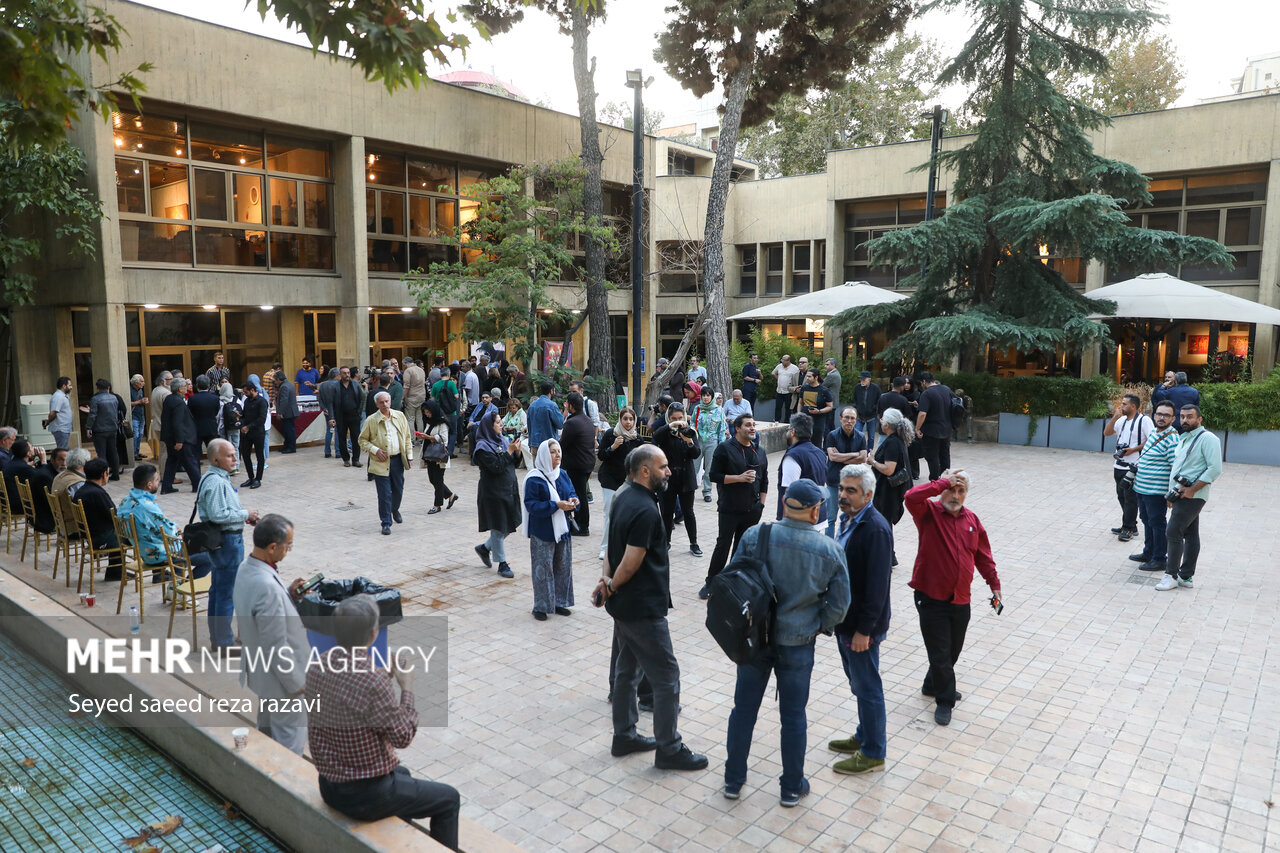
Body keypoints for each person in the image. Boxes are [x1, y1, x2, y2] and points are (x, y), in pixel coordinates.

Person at [722, 477, 849, 805]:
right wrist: (817, 624)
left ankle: (733, 780)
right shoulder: (830, 550)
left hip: (754, 641)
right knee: (793, 716)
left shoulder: (755, 535)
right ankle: (791, 787)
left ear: (784, 504)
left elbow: (733, 582)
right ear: (815, 510)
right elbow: (839, 606)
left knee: (743, 710)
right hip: (798, 643)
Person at [306, 596, 461, 851]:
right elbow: (402, 737)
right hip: (365, 796)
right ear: (374, 633)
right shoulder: (373, 681)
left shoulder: (316, 666)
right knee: (449, 799)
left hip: (330, 785)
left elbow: (350, 693)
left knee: (403, 774)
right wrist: (406, 688)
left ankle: (398, 844)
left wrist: (380, 677)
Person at [595, 444, 708, 772]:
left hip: (623, 605)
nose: (669, 471)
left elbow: (609, 551)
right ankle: (669, 748)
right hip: (641, 608)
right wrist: (612, 584)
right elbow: (629, 561)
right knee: (666, 676)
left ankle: (625, 735)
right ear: (644, 471)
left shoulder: (622, 496)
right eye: (663, 467)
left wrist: (605, 583)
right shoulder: (644, 509)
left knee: (627, 670)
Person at [906, 469, 1001, 726]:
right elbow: (910, 496)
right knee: (940, 653)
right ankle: (944, 700)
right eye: (952, 489)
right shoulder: (928, 513)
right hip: (930, 597)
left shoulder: (972, 520)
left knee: (952, 652)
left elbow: (983, 555)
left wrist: (994, 585)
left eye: (961, 491)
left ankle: (932, 684)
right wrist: (940, 483)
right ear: (943, 490)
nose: (955, 495)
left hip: (961, 599)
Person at [828, 463, 894, 775]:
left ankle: (873, 752)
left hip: (860, 628)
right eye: (841, 489)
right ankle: (863, 734)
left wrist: (863, 630)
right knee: (859, 683)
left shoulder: (876, 529)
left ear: (868, 495)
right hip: (846, 622)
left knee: (867, 687)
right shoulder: (850, 519)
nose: (842, 495)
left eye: (850, 491)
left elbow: (877, 586)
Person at [233, 513, 310, 753]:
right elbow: (276, 644)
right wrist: (296, 684)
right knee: (289, 747)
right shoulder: (267, 586)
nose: (289, 551)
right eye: (288, 546)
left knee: (266, 735)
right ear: (273, 547)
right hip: (282, 683)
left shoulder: (247, 568)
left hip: (262, 674)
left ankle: (259, 778)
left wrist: (289, 594)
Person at [198, 438, 261, 656]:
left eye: (234, 454)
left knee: (218, 590)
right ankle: (224, 642)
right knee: (226, 593)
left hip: (224, 540)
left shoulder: (216, 478)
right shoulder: (216, 482)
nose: (235, 459)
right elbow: (218, 515)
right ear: (216, 459)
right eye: (229, 455)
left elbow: (222, 511)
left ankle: (219, 638)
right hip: (226, 543)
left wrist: (244, 518)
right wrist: (246, 514)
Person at [1156, 404, 1223, 592]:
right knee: (1191, 534)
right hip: (1180, 494)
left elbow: (1215, 468)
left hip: (1193, 495)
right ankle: (1186, 576)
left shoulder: (1208, 439)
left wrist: (1193, 490)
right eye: (1183, 417)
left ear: (1199, 419)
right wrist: (1171, 494)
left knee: (1172, 532)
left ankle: (1171, 575)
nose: (1185, 420)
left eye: (1190, 417)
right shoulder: (1184, 438)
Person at [702, 414, 769, 600]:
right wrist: (739, 478)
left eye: (754, 425)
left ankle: (732, 582)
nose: (753, 428)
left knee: (741, 548)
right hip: (729, 507)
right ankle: (710, 582)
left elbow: (765, 480)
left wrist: (761, 505)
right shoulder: (724, 448)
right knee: (723, 545)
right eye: (748, 425)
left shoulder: (760, 451)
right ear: (737, 428)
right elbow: (714, 475)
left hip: (752, 509)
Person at [118, 463, 211, 583]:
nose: (159, 482)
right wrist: (176, 530)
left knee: (182, 546)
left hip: (143, 548)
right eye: (157, 480)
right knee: (210, 557)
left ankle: (176, 584)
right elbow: (169, 532)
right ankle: (180, 587)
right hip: (155, 554)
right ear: (149, 485)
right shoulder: (146, 506)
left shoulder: (126, 500)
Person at [522, 439, 579, 620]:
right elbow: (531, 505)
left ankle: (560, 602)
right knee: (543, 569)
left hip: (563, 529)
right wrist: (555, 505)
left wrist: (573, 501)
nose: (558, 455)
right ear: (545, 455)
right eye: (553, 452)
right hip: (543, 531)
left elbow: (571, 492)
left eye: (559, 451)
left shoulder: (562, 474)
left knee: (563, 567)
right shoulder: (534, 479)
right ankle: (541, 606)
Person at [1130, 400, 1180, 573]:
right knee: (1146, 520)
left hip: (1156, 491)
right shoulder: (1154, 432)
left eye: (1166, 415)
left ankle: (1159, 558)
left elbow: (1175, 467)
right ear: (1154, 415)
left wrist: (1171, 493)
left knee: (1157, 523)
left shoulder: (1172, 438)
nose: (1161, 417)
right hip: (1142, 488)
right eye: (1159, 414)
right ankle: (1149, 552)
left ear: (1173, 419)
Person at [473, 411, 522, 578]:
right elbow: (496, 467)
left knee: (510, 523)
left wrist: (517, 453)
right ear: (489, 426)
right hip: (493, 492)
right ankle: (502, 564)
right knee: (498, 526)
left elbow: (512, 463)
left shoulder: (502, 439)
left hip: (509, 489)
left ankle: (485, 548)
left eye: (501, 422)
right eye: (498, 422)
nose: (501, 425)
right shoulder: (482, 447)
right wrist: (509, 451)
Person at [359, 390, 413, 536]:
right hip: (380, 462)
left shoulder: (399, 416)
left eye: (386, 401)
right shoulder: (371, 420)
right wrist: (375, 450)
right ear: (376, 404)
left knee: (398, 490)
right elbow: (362, 440)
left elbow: (407, 437)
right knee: (384, 494)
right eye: (381, 402)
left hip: (397, 460)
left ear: (390, 401)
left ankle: (394, 509)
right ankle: (386, 522)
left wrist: (409, 455)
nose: (384, 404)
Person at [596, 406, 646, 560]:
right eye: (625, 419)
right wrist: (613, 447)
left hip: (628, 481)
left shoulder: (637, 439)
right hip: (610, 478)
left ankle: (623, 545)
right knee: (609, 513)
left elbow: (641, 461)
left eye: (631, 419)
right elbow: (602, 456)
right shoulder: (612, 434)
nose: (628, 422)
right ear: (620, 419)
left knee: (626, 514)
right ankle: (605, 547)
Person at [652, 403, 702, 556]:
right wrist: (670, 425)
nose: (678, 421)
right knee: (666, 512)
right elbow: (655, 436)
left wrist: (689, 441)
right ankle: (666, 541)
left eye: (680, 418)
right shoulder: (665, 432)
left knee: (689, 512)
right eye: (674, 418)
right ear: (668, 418)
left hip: (686, 478)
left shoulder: (690, 432)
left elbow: (696, 453)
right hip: (667, 478)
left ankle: (694, 543)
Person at [1102, 393, 1152, 542]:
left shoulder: (1144, 421)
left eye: (1124, 404)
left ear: (1133, 406)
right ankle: (1130, 524)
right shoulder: (1121, 420)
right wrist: (1115, 417)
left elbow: (1152, 441)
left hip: (1134, 466)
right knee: (1121, 496)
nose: (1121, 406)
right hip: (1118, 464)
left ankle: (1128, 528)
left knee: (1130, 499)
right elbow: (1107, 433)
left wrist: (1134, 449)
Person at [868, 409, 915, 559]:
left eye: (882, 420)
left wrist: (873, 462)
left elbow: (889, 470)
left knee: (884, 524)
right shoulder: (895, 439)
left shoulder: (892, 442)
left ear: (887, 425)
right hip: (889, 491)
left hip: (888, 492)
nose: (880, 422)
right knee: (884, 523)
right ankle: (888, 555)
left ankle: (887, 556)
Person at [776, 413, 829, 534]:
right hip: (817, 516)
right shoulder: (820, 453)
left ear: (793, 432)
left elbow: (789, 493)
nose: (788, 432)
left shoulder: (793, 456)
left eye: (788, 429)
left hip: (799, 522)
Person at [824, 406, 869, 537]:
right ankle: (829, 547)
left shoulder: (860, 437)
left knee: (850, 516)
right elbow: (832, 457)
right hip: (834, 481)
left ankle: (844, 544)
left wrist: (842, 458)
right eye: (846, 418)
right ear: (840, 418)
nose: (849, 421)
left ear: (856, 420)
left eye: (852, 418)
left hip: (852, 483)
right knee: (831, 517)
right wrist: (854, 455)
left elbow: (863, 458)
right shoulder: (832, 435)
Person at [73, 458, 119, 579]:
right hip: (100, 538)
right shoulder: (98, 493)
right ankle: (115, 573)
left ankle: (115, 572)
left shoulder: (82, 490)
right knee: (130, 535)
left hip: (90, 535)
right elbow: (113, 514)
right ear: (104, 474)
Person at [558, 392, 596, 537]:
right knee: (580, 494)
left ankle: (582, 526)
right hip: (587, 462)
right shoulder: (586, 419)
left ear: (571, 406)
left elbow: (563, 444)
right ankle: (579, 523)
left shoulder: (572, 422)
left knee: (579, 496)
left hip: (577, 464)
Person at [4, 439, 56, 535]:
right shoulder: (24, 468)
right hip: (20, 505)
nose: (34, 449)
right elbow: (43, 477)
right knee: (47, 494)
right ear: (28, 453)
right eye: (32, 447)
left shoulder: (13, 463)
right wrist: (43, 461)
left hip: (11, 501)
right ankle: (48, 524)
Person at [159, 378, 201, 494]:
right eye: (184, 386)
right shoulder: (178, 402)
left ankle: (166, 486)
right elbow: (177, 423)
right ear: (180, 389)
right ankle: (198, 485)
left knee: (172, 461)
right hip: (179, 438)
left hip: (170, 437)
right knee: (189, 462)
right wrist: (179, 440)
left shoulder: (169, 399)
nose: (186, 388)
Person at [914, 371, 954, 482]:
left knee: (932, 456)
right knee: (945, 454)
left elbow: (922, 413)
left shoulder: (926, 394)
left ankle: (934, 479)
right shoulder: (946, 389)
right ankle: (946, 478)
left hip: (931, 430)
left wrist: (917, 428)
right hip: (946, 429)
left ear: (924, 382)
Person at [419, 401, 457, 514]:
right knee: (433, 479)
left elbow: (444, 439)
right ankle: (451, 495)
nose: (427, 415)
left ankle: (437, 505)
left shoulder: (442, 423)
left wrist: (429, 437)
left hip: (439, 456)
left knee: (438, 480)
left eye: (428, 412)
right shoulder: (430, 422)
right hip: (430, 455)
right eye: (425, 413)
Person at [694, 386, 728, 503]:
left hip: (712, 443)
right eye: (703, 395)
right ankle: (690, 490)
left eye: (708, 395)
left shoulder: (719, 410)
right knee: (694, 467)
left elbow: (722, 429)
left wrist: (721, 445)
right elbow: (693, 422)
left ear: (712, 397)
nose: (705, 397)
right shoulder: (697, 409)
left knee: (709, 469)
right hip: (698, 442)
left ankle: (707, 492)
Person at [86, 378, 122, 480]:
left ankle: (103, 474)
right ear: (108, 388)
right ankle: (116, 474)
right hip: (112, 428)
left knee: (101, 453)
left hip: (100, 429)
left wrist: (88, 427)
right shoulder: (114, 398)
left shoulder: (96, 399)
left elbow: (92, 415)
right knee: (113, 452)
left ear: (97, 388)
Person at [331, 366, 365, 467]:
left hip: (354, 415)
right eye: (344, 373)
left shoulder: (355, 384)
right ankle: (346, 459)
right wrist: (332, 416)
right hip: (341, 416)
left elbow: (362, 398)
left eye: (348, 373)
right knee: (342, 438)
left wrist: (359, 412)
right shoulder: (336, 386)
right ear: (340, 375)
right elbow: (332, 402)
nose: (347, 375)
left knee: (356, 438)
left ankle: (356, 459)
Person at [239, 380, 269, 489]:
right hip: (247, 433)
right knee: (246, 455)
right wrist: (241, 420)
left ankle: (258, 479)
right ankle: (250, 477)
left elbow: (261, 419)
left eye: (246, 392)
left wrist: (248, 426)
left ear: (252, 390)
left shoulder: (262, 402)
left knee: (259, 456)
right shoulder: (247, 401)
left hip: (258, 432)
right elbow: (244, 415)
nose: (245, 394)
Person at [430, 366, 461, 458]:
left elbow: (432, 399)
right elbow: (456, 396)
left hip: (440, 412)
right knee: (453, 432)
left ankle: (441, 450)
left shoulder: (436, 385)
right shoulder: (451, 384)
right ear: (449, 374)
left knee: (441, 432)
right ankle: (450, 452)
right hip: (452, 412)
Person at [798, 369, 834, 448]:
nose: (807, 378)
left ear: (816, 377)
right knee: (803, 442)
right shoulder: (804, 388)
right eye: (807, 376)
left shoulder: (824, 390)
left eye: (809, 376)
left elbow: (830, 406)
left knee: (816, 443)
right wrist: (799, 414)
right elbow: (800, 403)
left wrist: (819, 411)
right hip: (805, 419)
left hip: (818, 420)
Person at [188, 375, 222, 454]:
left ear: (197, 386)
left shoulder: (192, 399)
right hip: (211, 427)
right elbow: (216, 412)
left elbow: (190, 413)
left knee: (195, 454)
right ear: (208, 385)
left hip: (196, 428)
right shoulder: (215, 398)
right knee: (214, 452)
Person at [526, 380, 564, 452]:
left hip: (534, 443)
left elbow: (529, 425)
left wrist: (530, 443)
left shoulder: (532, 406)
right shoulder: (552, 405)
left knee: (536, 463)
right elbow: (560, 424)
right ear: (551, 391)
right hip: (549, 445)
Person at [41, 375, 75, 452]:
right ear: (64, 386)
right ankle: (61, 464)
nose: (71, 387)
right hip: (60, 428)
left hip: (64, 428)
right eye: (69, 385)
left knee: (63, 449)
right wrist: (48, 422)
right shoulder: (58, 397)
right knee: (62, 451)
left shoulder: (63, 396)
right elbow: (52, 413)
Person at [149, 371, 173, 476]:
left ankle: (165, 474)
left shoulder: (155, 390)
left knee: (163, 450)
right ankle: (165, 474)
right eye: (170, 380)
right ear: (163, 381)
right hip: (164, 425)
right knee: (166, 452)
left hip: (158, 424)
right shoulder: (165, 393)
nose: (172, 382)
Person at [852, 371, 882, 450]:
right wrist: (856, 409)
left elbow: (879, 400)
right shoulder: (857, 387)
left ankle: (869, 453)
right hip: (860, 415)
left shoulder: (875, 388)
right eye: (861, 379)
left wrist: (874, 409)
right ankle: (857, 450)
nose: (862, 380)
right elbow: (855, 399)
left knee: (871, 437)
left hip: (871, 416)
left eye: (864, 379)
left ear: (869, 379)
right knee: (856, 434)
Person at [401, 357, 427, 436]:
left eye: (404, 364)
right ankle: (420, 438)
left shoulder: (408, 371)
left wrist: (402, 398)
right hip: (421, 396)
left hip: (411, 397)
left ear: (406, 363)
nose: (404, 366)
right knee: (419, 418)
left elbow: (406, 386)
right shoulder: (421, 370)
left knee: (410, 419)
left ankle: (412, 438)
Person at [275, 369, 300, 453]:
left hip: (288, 412)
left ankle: (291, 447)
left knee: (289, 430)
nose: (276, 382)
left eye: (276, 380)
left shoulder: (284, 386)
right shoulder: (289, 384)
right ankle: (287, 446)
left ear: (278, 379)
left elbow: (284, 401)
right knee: (288, 430)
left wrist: (280, 412)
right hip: (291, 411)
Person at [771, 354, 801, 424]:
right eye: (782, 360)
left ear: (788, 361)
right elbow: (773, 373)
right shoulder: (779, 366)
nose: (782, 361)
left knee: (788, 408)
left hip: (788, 391)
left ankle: (786, 422)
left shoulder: (794, 368)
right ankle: (777, 420)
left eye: (784, 360)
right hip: (779, 390)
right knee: (778, 407)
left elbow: (798, 377)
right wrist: (779, 379)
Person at [128, 375, 149, 459]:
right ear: (135, 382)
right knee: (135, 435)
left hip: (141, 415)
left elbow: (140, 401)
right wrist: (139, 402)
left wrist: (144, 401)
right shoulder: (129, 390)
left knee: (140, 435)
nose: (143, 383)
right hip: (134, 416)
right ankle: (133, 454)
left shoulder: (140, 390)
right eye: (141, 381)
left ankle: (137, 451)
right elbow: (128, 402)